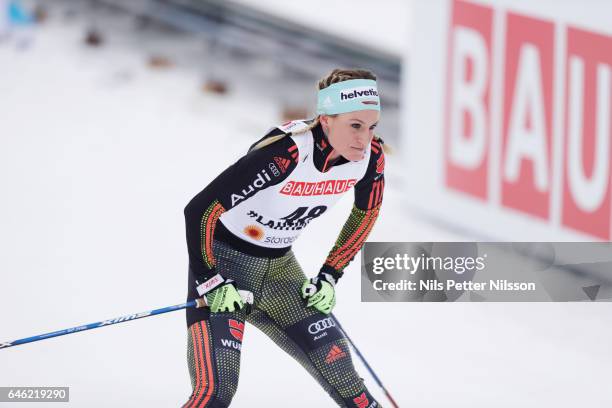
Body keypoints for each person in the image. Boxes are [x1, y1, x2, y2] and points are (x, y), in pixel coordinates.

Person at [182, 68, 386, 408]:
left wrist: (329, 274)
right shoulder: (286, 153)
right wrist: (210, 281)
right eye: (354, 125)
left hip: (280, 274)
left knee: (350, 386)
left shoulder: (370, 158)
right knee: (215, 393)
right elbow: (200, 211)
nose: (364, 139)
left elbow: (366, 214)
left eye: (371, 127)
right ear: (325, 120)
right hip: (225, 267)